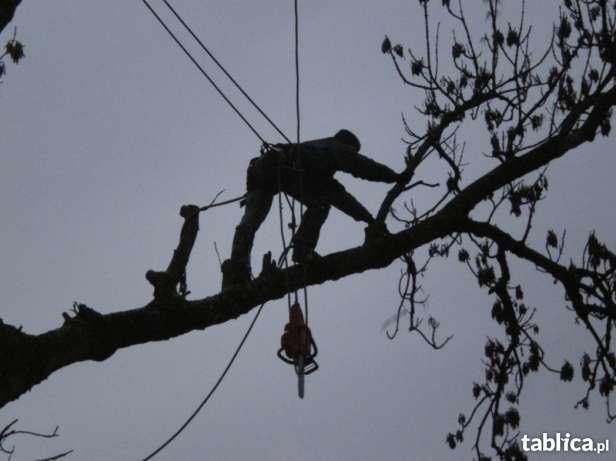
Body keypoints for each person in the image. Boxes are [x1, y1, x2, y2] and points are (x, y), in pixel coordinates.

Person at [222, 129, 400, 289]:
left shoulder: (318, 160)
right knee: (321, 204)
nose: (351, 155)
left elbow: (342, 197)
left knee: (250, 221)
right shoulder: (335, 147)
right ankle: (302, 251)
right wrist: (394, 176)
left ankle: (237, 269)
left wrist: (369, 219)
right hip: (282, 168)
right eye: (352, 151)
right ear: (348, 145)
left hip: (262, 169)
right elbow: (363, 167)